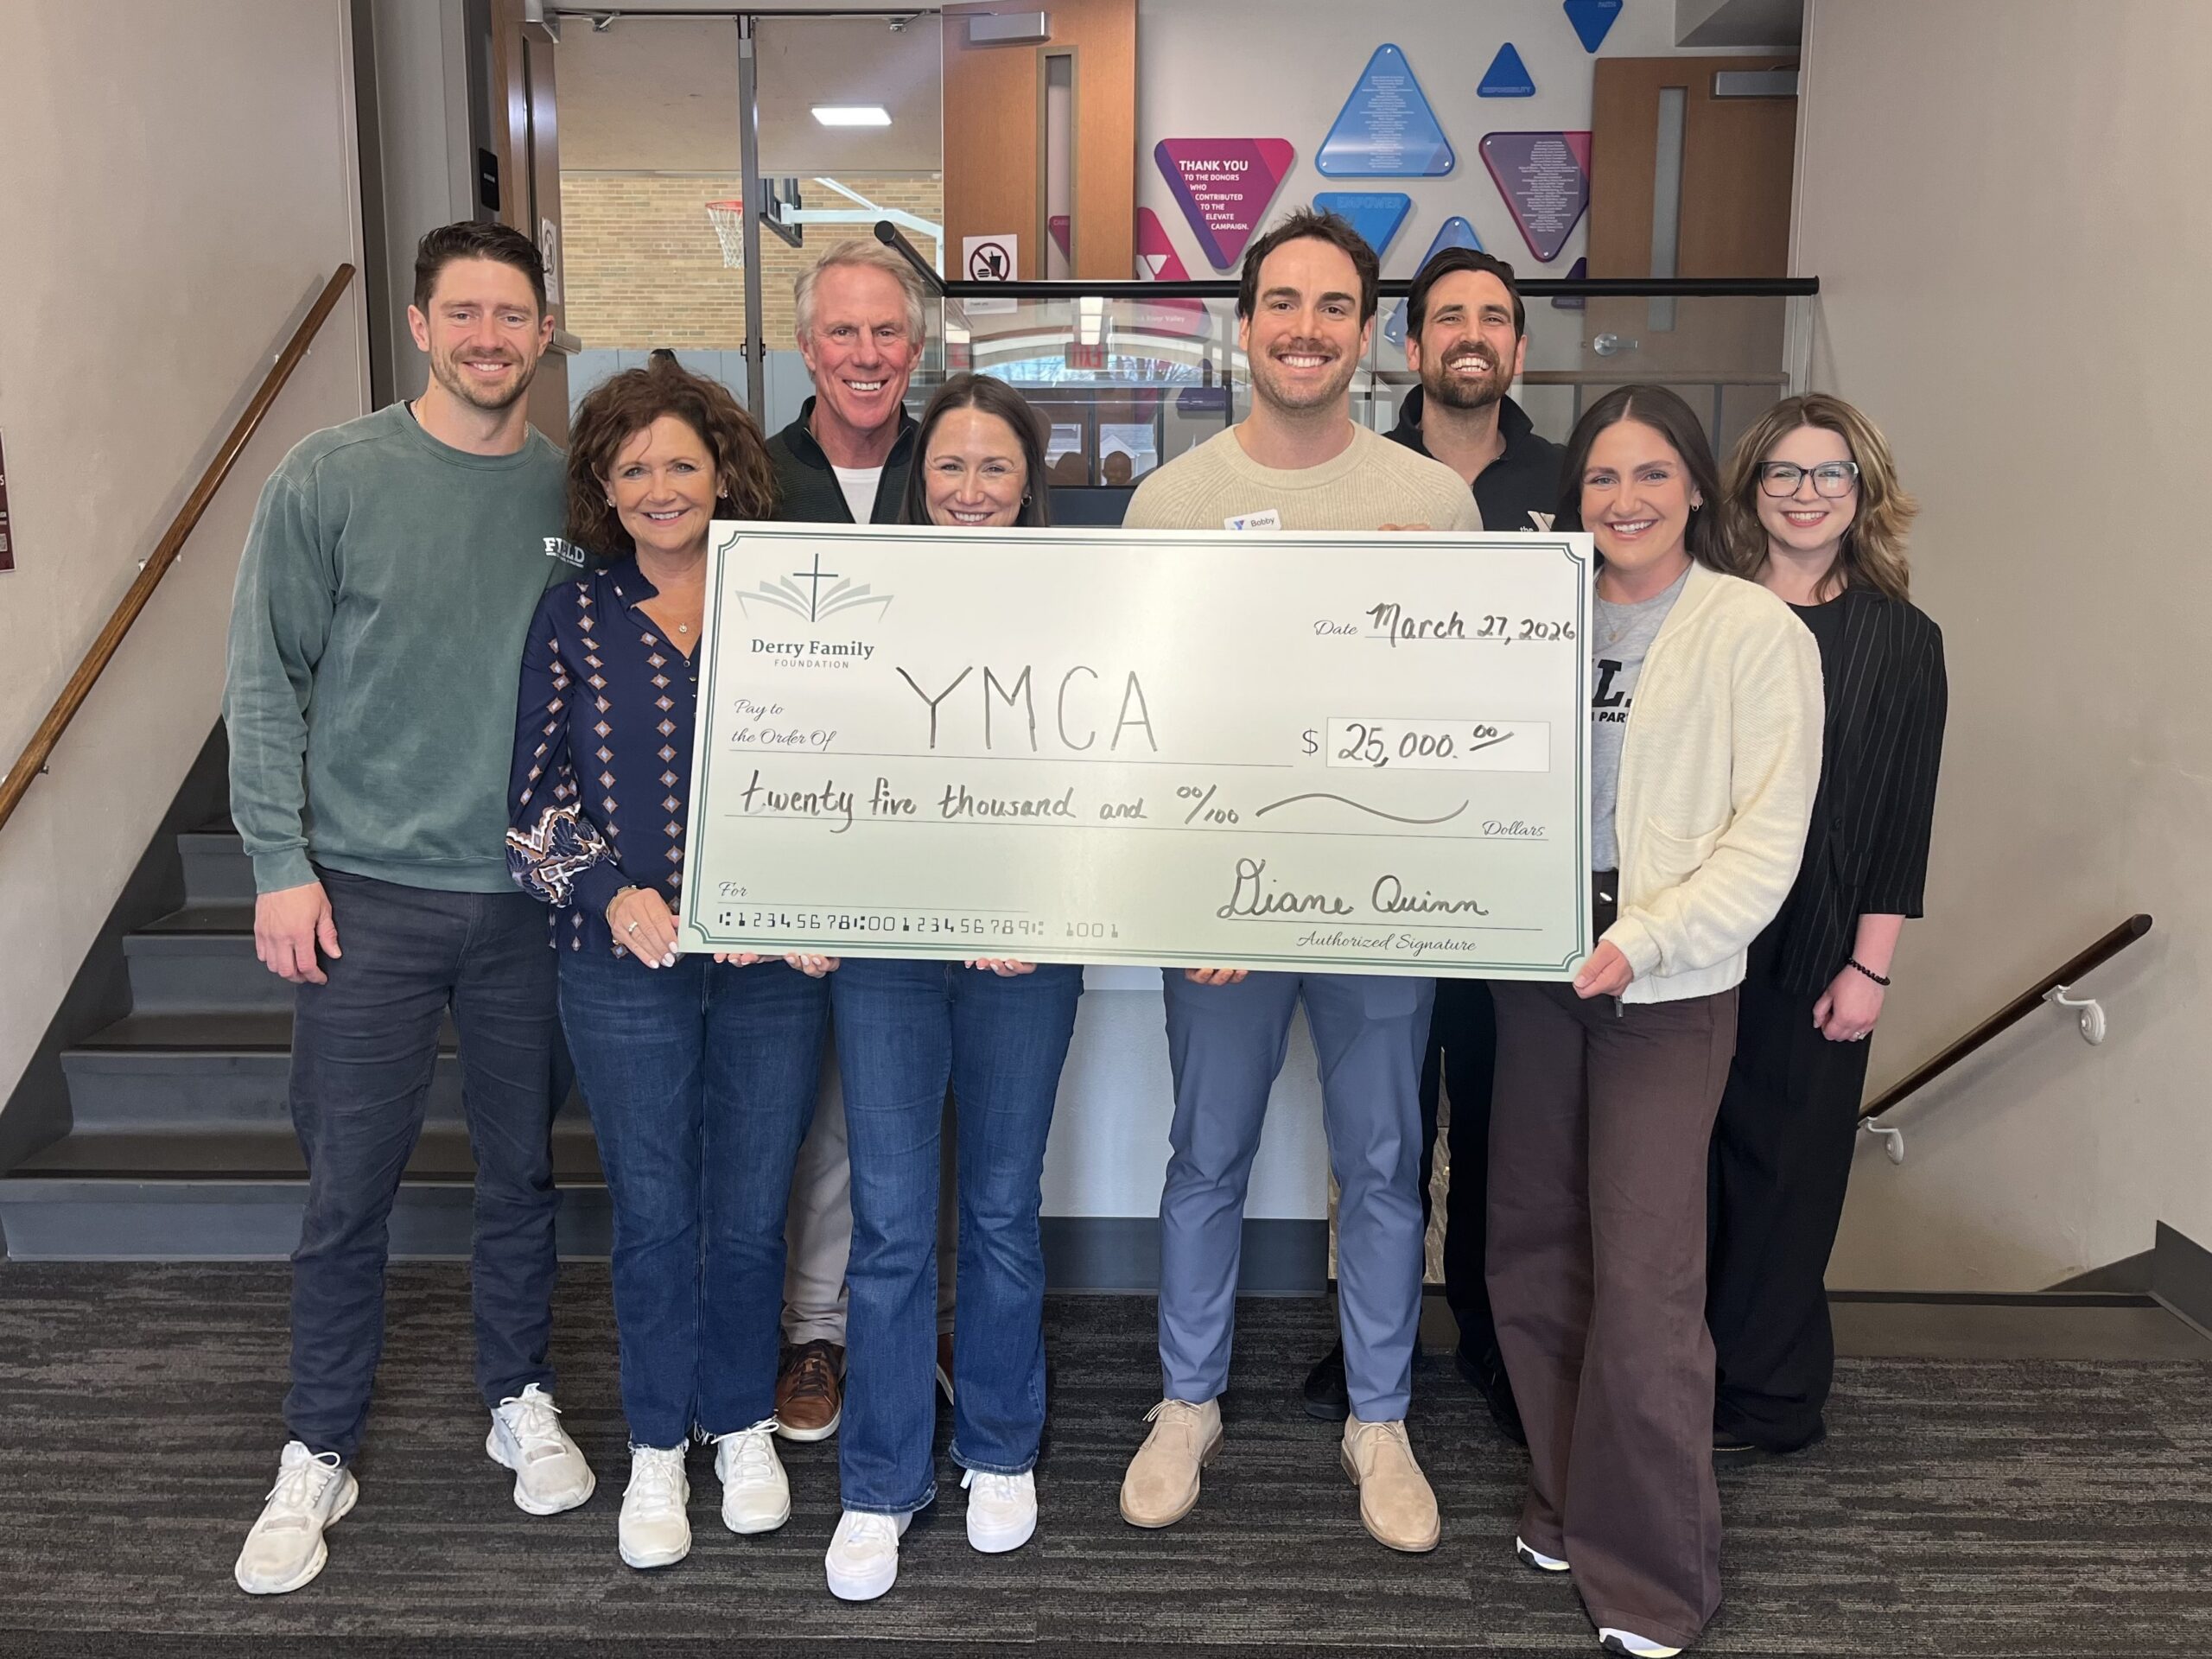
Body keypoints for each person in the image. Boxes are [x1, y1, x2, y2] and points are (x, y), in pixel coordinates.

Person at [226, 222, 592, 1595]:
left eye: (515, 316)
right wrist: (277, 860)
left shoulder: (575, 492)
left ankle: (520, 1394)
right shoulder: (331, 475)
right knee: (348, 1188)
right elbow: (264, 675)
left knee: (523, 1174)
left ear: (543, 333)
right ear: (424, 327)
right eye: (466, 314)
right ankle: (318, 1442)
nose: (491, 337)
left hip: (524, 900)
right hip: (362, 896)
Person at [1114, 207, 1481, 1555]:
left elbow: (1464, 715)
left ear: (1370, 334)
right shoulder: (1173, 502)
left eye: (1335, 307)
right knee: (1205, 1153)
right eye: (1283, 304)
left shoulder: (1437, 505)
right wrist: (1183, 897)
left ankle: (1377, 1417)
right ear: (1244, 323)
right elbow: (1144, 730)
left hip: (1381, 896)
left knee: (1386, 1163)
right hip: (1219, 903)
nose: (1307, 330)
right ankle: (1186, 1400)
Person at [1486, 385, 1821, 1657]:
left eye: (1649, 475)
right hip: (1537, 966)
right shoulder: (1543, 613)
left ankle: (1655, 1576)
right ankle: (1569, 1496)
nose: (1623, 501)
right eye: (1601, 480)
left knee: (1645, 1278)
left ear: (1694, 488)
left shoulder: (1750, 631)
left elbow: (1765, 844)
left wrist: (1644, 942)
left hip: (1665, 986)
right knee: (1530, 1242)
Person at [506, 361, 839, 1569]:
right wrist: (610, 889)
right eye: (632, 467)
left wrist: (816, 898)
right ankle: (657, 1442)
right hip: (621, 962)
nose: (659, 486)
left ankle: (740, 1421)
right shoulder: (575, 616)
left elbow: (845, 775)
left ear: (725, 474)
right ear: (602, 484)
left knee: (753, 1212)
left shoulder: (795, 604)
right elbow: (531, 805)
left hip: (772, 967)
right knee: (653, 1212)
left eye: (680, 464)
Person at [818, 373, 1082, 1600]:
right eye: (949, 469)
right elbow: (810, 759)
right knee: (888, 1223)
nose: (970, 490)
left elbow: (1120, 769)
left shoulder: (1085, 602)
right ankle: (877, 1478)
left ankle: (998, 1446)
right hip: (885, 949)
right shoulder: (851, 600)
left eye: (994, 468)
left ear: (1030, 481)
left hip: (1026, 950)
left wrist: (1053, 904)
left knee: (998, 1207)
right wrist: (796, 898)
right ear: (916, 481)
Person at [1301, 245, 1567, 1435]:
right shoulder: (1346, 472)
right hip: (1371, 852)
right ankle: (1371, 1338)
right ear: (1409, 344)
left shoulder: (1572, 483)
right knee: (1380, 1118)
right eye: (1448, 315)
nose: (1472, 334)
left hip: (1510, 857)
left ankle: (1501, 1338)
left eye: (1495, 318)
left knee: (1507, 1116)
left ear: (1520, 347)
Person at [1706, 395, 1946, 1459]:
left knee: (1788, 1170)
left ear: (1863, 492)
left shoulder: (1900, 638)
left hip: (1817, 947)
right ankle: (1681, 1374)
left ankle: (1769, 1396)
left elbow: (1901, 813)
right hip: (1694, 934)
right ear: (1751, 489)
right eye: (1784, 475)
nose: (1806, 495)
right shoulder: (1701, 609)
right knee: (1684, 1166)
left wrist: (1870, 968)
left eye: (1829, 475)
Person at [761, 238, 953, 1443]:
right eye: (844, 333)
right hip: (804, 846)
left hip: (953, 839)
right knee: (822, 1112)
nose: (867, 355)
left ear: (918, 349)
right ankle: (816, 1332)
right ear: (806, 346)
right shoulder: (751, 480)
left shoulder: (967, 466)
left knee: (934, 1109)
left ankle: (913, 1324)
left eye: (888, 334)